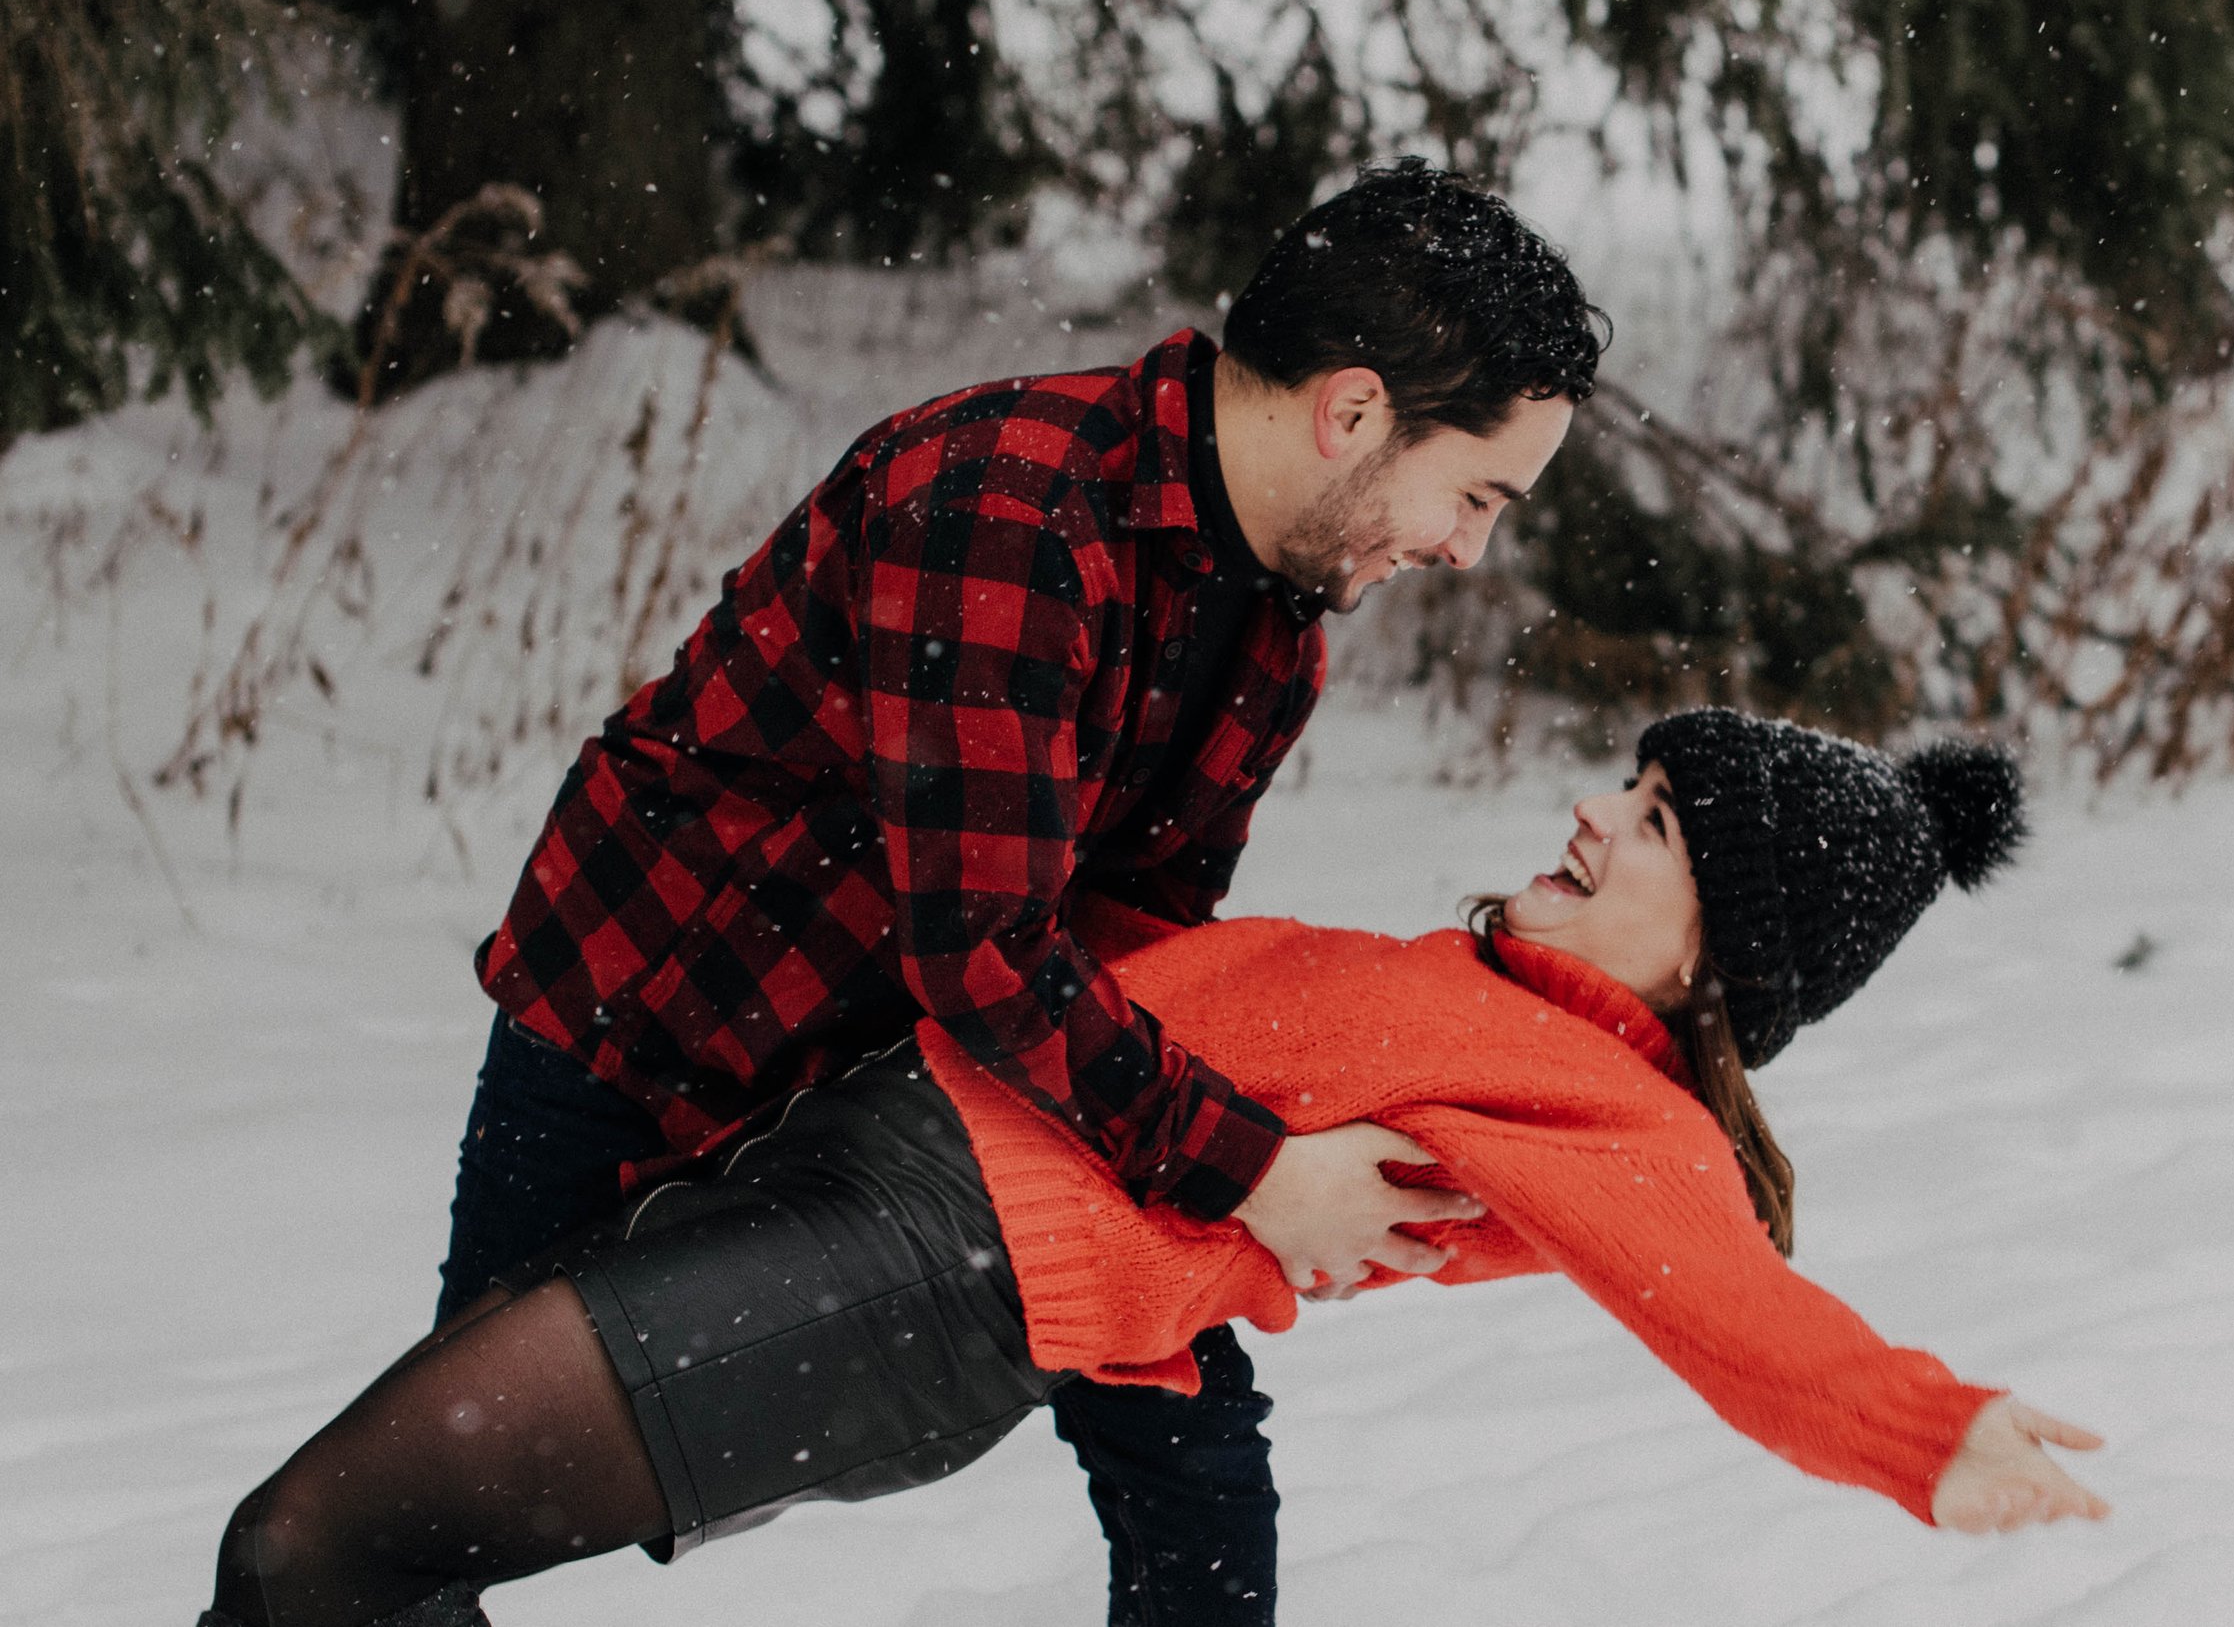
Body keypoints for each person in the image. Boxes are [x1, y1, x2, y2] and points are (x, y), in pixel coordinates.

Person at [204, 707, 2111, 1627]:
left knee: (313, 1548)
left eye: (1661, 820)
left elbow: (1730, 1307)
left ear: (1724, 959)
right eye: (1633, 779)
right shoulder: (1483, 992)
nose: (1597, 810)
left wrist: (1924, 1433)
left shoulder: (1614, 1115)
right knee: (368, 1564)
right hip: (866, 1181)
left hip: (919, 1278)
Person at [425, 159, 1604, 1626]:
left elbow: (1140, 953)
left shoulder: (1275, 630)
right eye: (1478, 493)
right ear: (1352, 412)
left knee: (1193, 1450)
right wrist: (1253, 1172)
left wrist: (1240, 1160)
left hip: (941, 1076)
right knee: (438, 1504)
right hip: (647, 1032)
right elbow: (983, 951)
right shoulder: (1006, 503)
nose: (1468, 549)